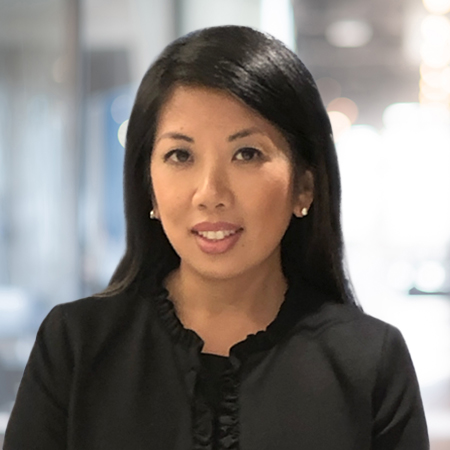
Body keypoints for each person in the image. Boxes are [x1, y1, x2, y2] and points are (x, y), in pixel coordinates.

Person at [4, 25, 429, 450]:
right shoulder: (76, 346)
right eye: (180, 155)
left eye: (247, 154)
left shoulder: (369, 362)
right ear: (148, 186)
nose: (210, 194)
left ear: (304, 185)